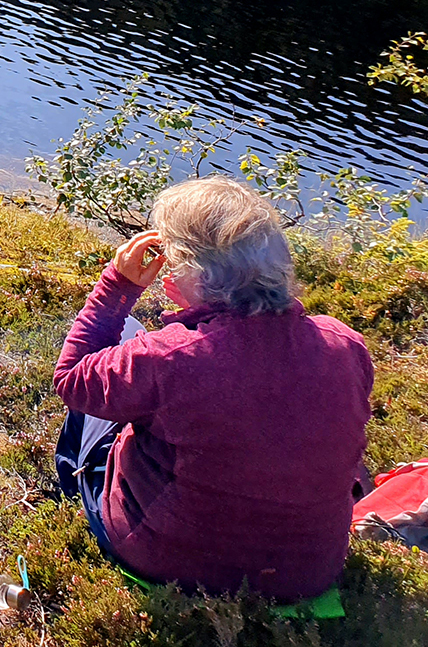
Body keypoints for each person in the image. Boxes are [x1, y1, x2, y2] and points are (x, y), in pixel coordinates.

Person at [52, 177, 373, 602]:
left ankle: (72, 490)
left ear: (193, 269)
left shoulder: (168, 358)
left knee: (116, 344)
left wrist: (118, 288)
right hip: (308, 574)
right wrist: (195, 310)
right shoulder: (345, 345)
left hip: (171, 558)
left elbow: (71, 379)